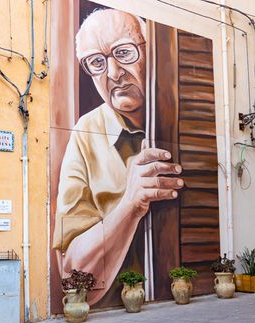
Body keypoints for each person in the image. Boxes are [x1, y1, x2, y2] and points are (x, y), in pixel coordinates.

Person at [53, 8, 184, 305]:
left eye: (124, 53)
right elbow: (72, 272)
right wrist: (129, 205)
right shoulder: (86, 133)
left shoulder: (182, 115)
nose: (113, 74)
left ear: (150, 51)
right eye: (97, 62)